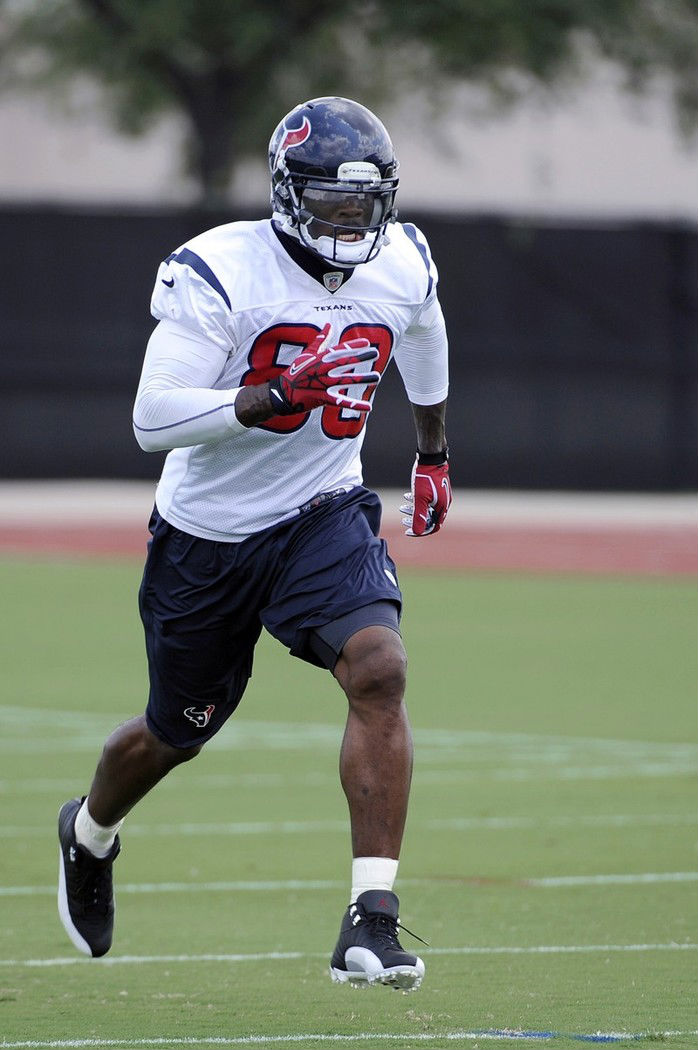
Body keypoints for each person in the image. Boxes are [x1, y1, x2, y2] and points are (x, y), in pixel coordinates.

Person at [57, 96, 450, 991]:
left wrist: (432, 450)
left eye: (364, 204)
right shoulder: (223, 269)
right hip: (209, 538)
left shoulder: (405, 259)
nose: (351, 222)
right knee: (172, 734)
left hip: (323, 509)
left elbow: (424, 332)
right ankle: (89, 833)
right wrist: (261, 398)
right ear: (286, 194)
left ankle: (371, 921)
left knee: (380, 666)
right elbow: (151, 421)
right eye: (331, 203)